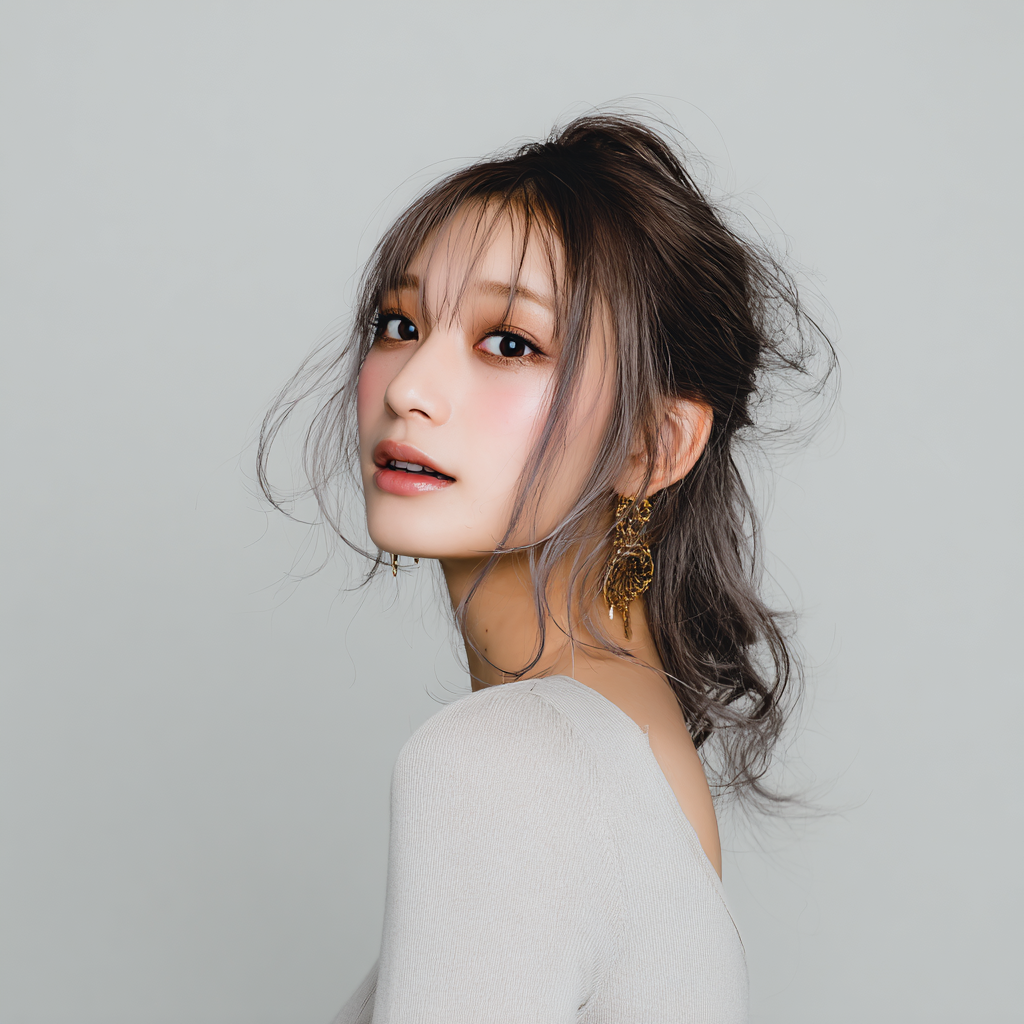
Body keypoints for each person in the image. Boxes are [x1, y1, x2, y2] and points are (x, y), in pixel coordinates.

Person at [259, 113, 832, 1023]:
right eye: (400, 324)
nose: (408, 388)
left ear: (654, 444)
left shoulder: (509, 760)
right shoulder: (626, 760)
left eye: (510, 343)